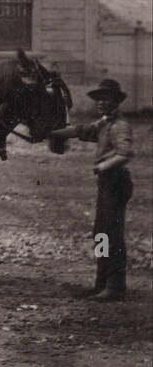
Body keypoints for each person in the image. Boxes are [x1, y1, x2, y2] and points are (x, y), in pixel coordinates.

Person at [50, 78, 133, 302]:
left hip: (116, 183)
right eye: (99, 99)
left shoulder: (120, 125)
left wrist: (102, 166)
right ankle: (101, 283)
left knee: (112, 236)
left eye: (106, 99)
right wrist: (52, 133)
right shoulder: (104, 123)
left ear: (116, 101)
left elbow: (125, 153)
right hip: (107, 184)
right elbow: (82, 131)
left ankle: (115, 286)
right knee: (101, 235)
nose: (101, 103)